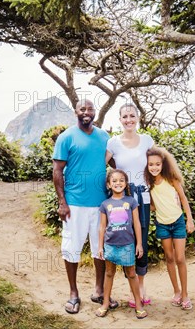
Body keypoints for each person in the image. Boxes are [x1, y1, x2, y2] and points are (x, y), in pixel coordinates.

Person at [52, 99, 119, 314]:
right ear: (76, 112)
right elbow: (57, 171)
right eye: (83, 109)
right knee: (72, 247)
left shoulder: (103, 137)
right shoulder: (66, 137)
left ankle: (99, 291)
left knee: (100, 248)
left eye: (90, 109)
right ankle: (73, 293)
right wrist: (62, 202)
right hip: (75, 204)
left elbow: (114, 163)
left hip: (101, 204)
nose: (86, 112)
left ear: (95, 112)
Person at [105, 103, 154, 307]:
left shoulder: (147, 140)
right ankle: (128, 289)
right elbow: (102, 165)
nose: (128, 120)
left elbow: (157, 165)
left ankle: (140, 288)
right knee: (125, 240)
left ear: (138, 118)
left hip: (143, 197)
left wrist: (170, 190)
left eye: (132, 116)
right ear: (120, 120)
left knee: (142, 239)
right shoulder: (113, 143)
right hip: (122, 200)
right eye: (124, 116)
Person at [144, 146, 195, 310]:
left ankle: (186, 294)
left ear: (163, 164)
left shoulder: (171, 179)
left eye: (157, 164)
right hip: (162, 224)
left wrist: (190, 220)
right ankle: (176, 292)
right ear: (147, 165)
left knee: (180, 258)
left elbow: (183, 199)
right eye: (151, 164)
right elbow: (153, 205)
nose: (154, 167)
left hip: (178, 222)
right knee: (169, 258)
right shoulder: (149, 183)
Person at [95, 169, 148, 319]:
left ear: (125, 183)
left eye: (121, 180)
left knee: (131, 274)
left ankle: (138, 304)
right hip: (110, 245)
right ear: (109, 184)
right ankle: (105, 303)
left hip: (127, 245)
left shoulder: (131, 201)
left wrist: (139, 244)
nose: (118, 183)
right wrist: (100, 246)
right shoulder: (105, 204)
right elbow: (102, 227)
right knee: (109, 273)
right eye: (114, 181)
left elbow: (137, 223)